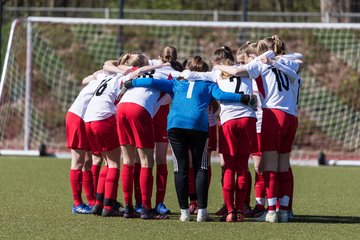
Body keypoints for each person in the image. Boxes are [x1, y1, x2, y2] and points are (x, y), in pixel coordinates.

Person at [121, 56, 257, 222]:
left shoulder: (178, 82)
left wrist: (131, 84)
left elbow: (151, 83)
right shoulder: (209, 83)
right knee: (201, 167)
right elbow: (222, 95)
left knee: (181, 167)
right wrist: (243, 98)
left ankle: (184, 212)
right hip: (198, 125)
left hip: (175, 125)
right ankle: (201, 212)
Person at [66, 70, 107, 214]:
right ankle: (77, 204)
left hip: (87, 119)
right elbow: (86, 78)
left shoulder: (106, 76)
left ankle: (91, 202)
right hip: (77, 118)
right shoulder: (112, 78)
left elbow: (85, 79)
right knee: (78, 162)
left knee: (88, 162)